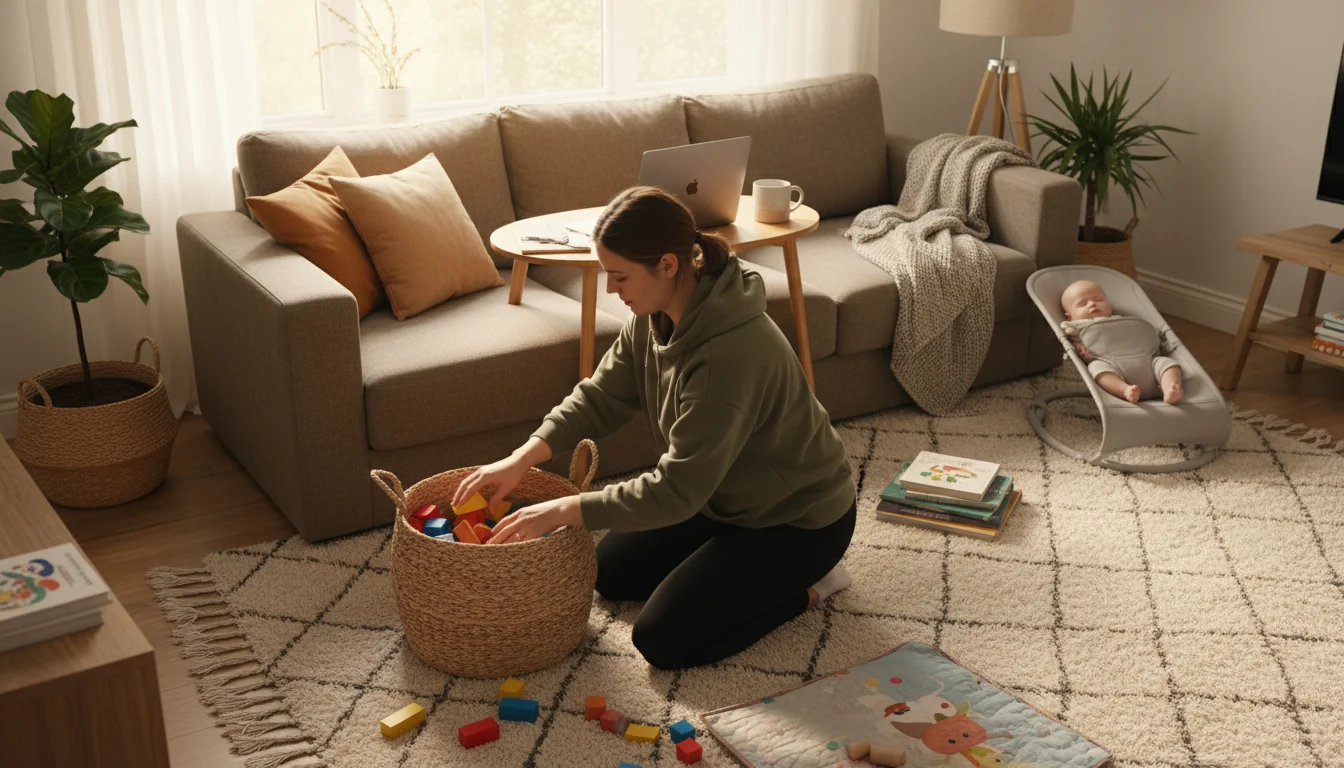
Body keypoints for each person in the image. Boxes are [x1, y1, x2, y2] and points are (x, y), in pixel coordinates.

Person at [452, 186, 856, 670]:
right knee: (612, 574)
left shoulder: (728, 358)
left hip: (797, 520)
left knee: (663, 639)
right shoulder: (655, 314)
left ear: (668, 265)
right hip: (718, 497)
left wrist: (562, 508)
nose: (610, 290)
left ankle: (813, 587)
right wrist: (520, 459)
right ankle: (733, 564)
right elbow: (600, 396)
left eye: (619, 277)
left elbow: (676, 490)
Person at [1060, 279, 1184, 404]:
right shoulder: (1076, 328)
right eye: (1082, 304)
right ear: (1070, 316)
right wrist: (1079, 349)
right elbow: (1071, 346)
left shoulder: (1121, 320)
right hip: (1111, 365)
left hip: (1146, 363)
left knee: (1167, 363)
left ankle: (1170, 389)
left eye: (1098, 300)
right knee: (1096, 368)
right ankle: (1124, 390)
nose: (1092, 304)